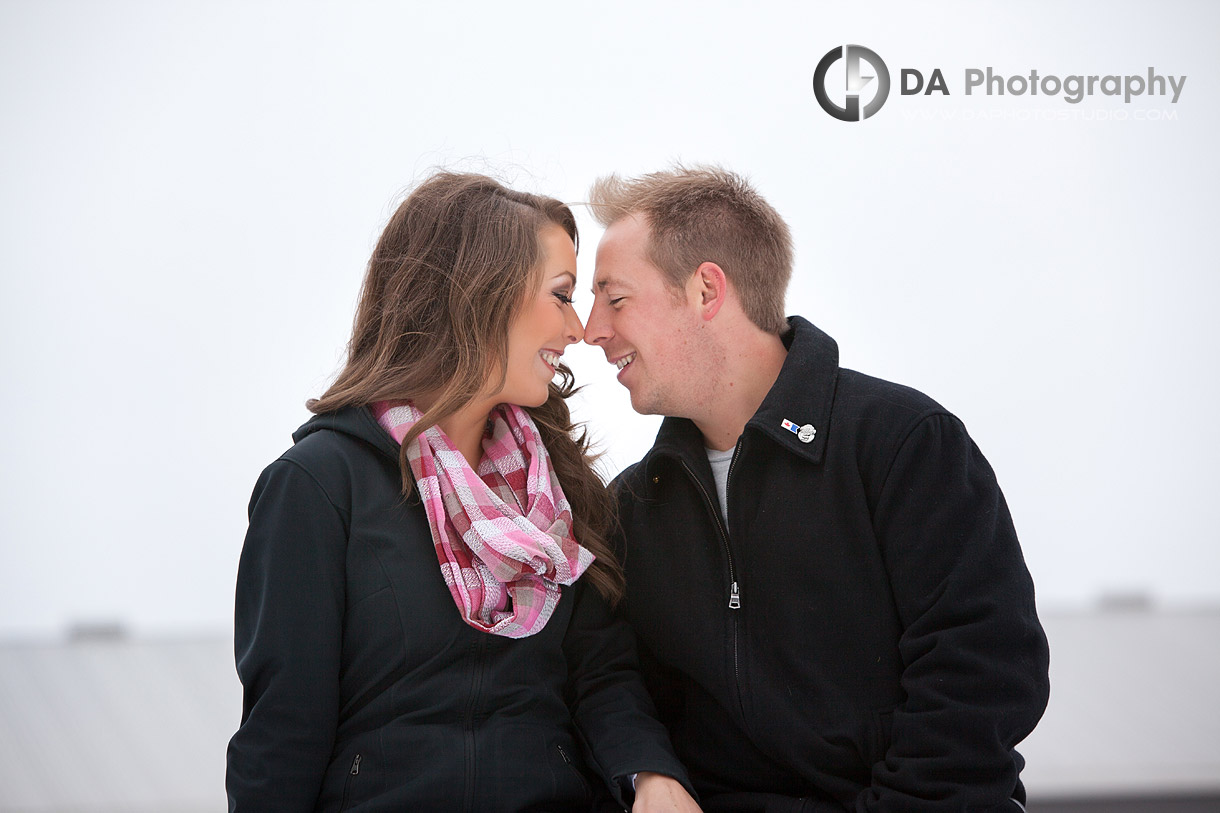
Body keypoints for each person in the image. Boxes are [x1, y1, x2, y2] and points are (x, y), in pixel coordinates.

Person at [226, 172, 702, 813]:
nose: (578, 328)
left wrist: (650, 773)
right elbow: (281, 735)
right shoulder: (317, 486)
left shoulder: (556, 487)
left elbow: (600, 673)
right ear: (481, 297)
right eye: (561, 295)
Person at [583, 166, 1051, 813]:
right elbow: (613, 681)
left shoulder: (906, 444)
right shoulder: (633, 507)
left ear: (706, 290)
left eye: (614, 297)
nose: (590, 328)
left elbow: (978, 681)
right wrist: (648, 768)